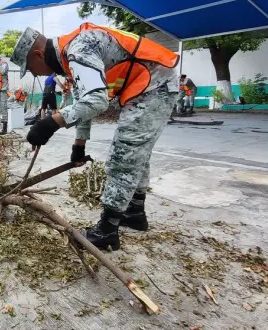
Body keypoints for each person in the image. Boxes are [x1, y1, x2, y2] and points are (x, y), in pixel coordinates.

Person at [10, 23, 179, 251]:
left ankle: (107, 230)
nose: (34, 74)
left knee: (126, 152)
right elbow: (84, 99)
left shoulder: (78, 49)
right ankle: (134, 212)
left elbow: (96, 101)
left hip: (155, 82)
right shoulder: (70, 55)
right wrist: (79, 144)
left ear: (38, 55)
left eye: (30, 69)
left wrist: (51, 123)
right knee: (137, 151)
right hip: (147, 82)